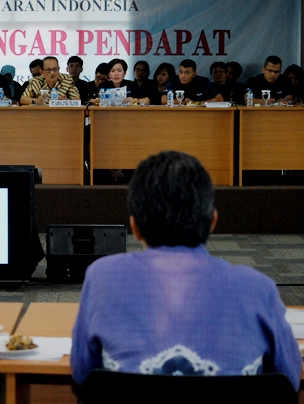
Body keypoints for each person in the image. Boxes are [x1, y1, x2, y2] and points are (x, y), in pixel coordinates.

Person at [71, 150, 302, 391]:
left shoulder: (102, 279)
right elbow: (289, 380)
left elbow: (82, 373)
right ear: (212, 222)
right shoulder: (259, 289)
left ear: (134, 226)